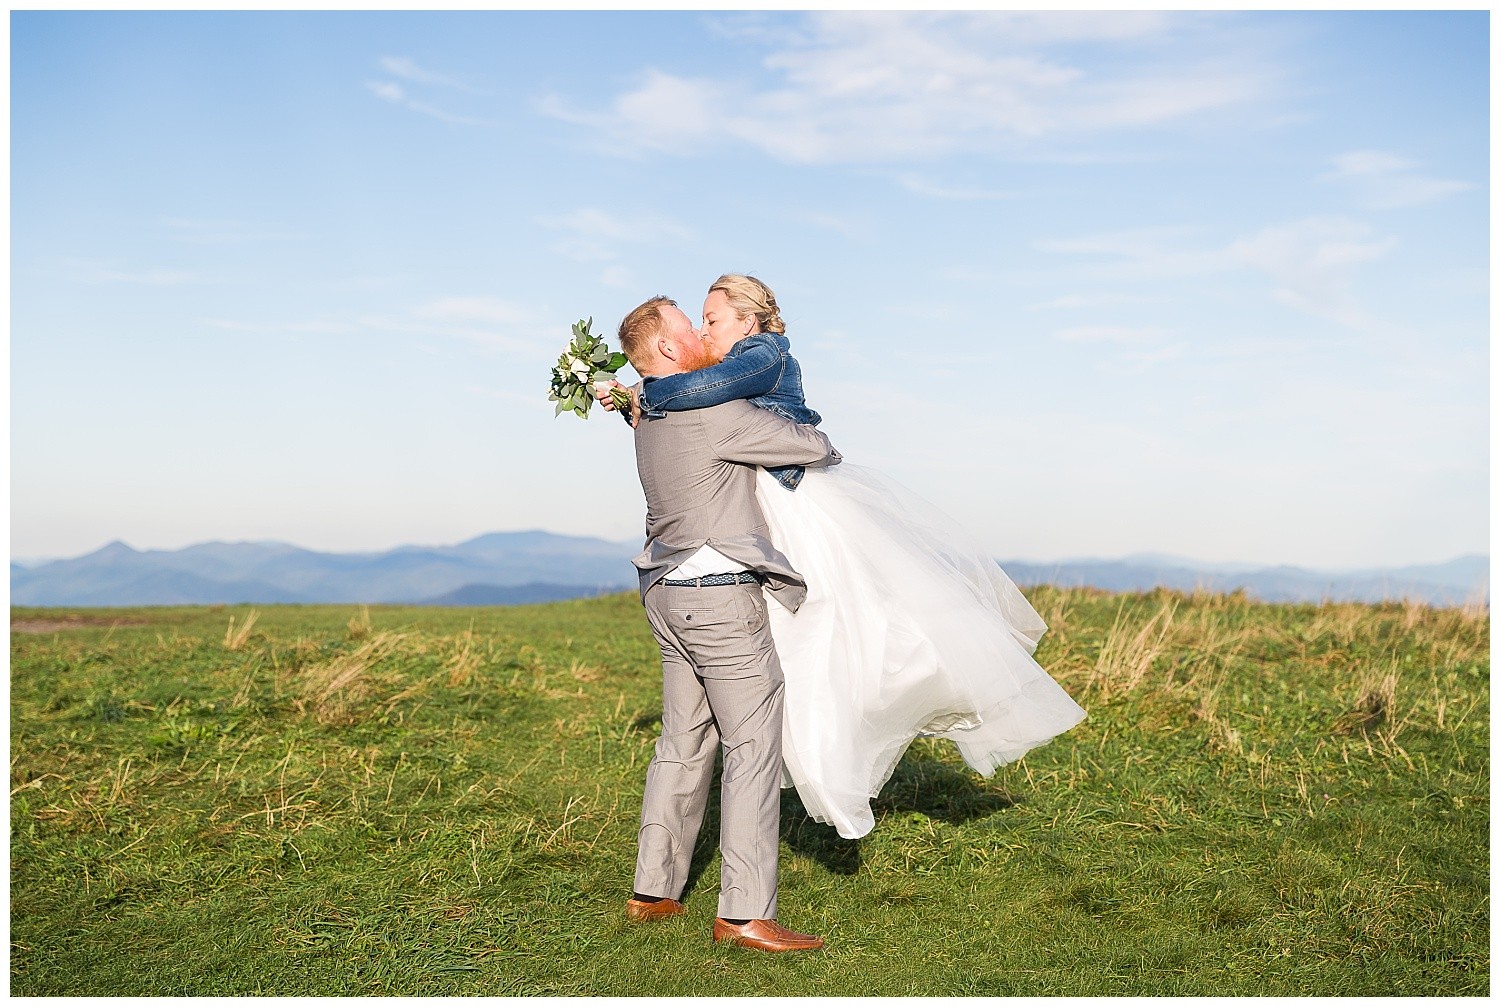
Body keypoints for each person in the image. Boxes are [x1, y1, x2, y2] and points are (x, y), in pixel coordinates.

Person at [604, 275, 1087, 840]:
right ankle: (768, 837)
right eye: (696, 322)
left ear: (747, 320)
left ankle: (673, 874)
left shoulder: (755, 358)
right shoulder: (705, 399)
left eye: (710, 319)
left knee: (827, 627)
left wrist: (644, 392)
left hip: (754, 521)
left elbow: (711, 396)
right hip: (744, 532)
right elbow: (739, 427)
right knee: (795, 653)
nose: (704, 328)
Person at [615, 295, 841, 953]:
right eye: (688, 326)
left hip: (664, 590)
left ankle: (652, 890)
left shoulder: (648, 408)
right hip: (717, 598)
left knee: (682, 741)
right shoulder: (715, 411)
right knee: (751, 746)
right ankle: (744, 912)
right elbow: (815, 447)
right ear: (663, 349)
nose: (702, 336)